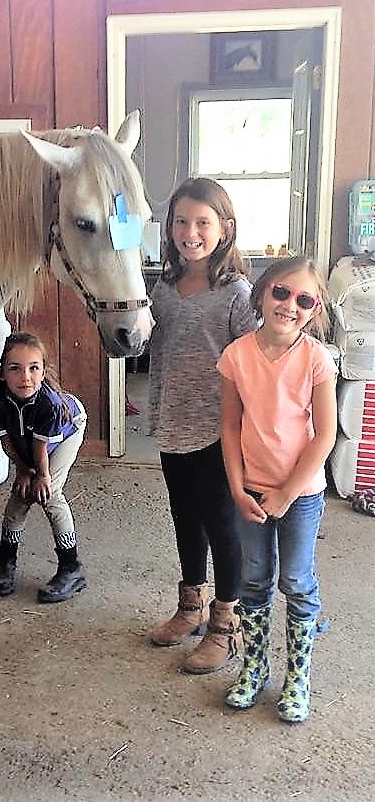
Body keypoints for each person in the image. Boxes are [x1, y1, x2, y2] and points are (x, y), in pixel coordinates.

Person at [147, 178, 259, 674]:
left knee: (221, 526)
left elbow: (256, 362)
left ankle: (225, 623)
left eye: (202, 223)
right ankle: (190, 605)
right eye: (180, 222)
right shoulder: (164, 289)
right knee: (183, 519)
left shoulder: (236, 294)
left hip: (219, 432)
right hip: (173, 423)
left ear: (224, 229)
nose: (189, 232)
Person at [219, 256, 336, 723]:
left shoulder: (316, 359)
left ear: (315, 309)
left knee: (295, 580)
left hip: (300, 494)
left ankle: (298, 675)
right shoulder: (236, 356)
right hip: (249, 487)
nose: (290, 305)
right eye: (282, 293)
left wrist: (286, 494)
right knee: (253, 579)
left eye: (304, 299)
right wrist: (235, 488)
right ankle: (254, 666)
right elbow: (229, 428)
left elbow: (324, 435)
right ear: (262, 292)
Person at [0, 332, 88, 603]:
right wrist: (23, 472)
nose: (25, 377)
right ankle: (6, 560)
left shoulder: (49, 403)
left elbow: (40, 447)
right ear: (2, 372)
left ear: (43, 370)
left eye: (33, 368)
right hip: (28, 439)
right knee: (20, 495)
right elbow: (8, 443)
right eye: (14, 368)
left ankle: (71, 566)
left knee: (49, 495)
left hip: (67, 430)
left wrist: (41, 475)